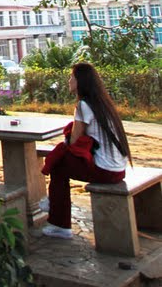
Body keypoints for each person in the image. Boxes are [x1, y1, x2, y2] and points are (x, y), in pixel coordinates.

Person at [41, 61, 131, 240]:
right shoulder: (103, 103)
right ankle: (54, 204)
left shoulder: (83, 105)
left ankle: (60, 223)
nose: (69, 80)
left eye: (71, 77)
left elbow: (73, 141)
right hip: (118, 169)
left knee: (58, 164)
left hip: (105, 171)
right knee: (60, 160)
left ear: (80, 81)